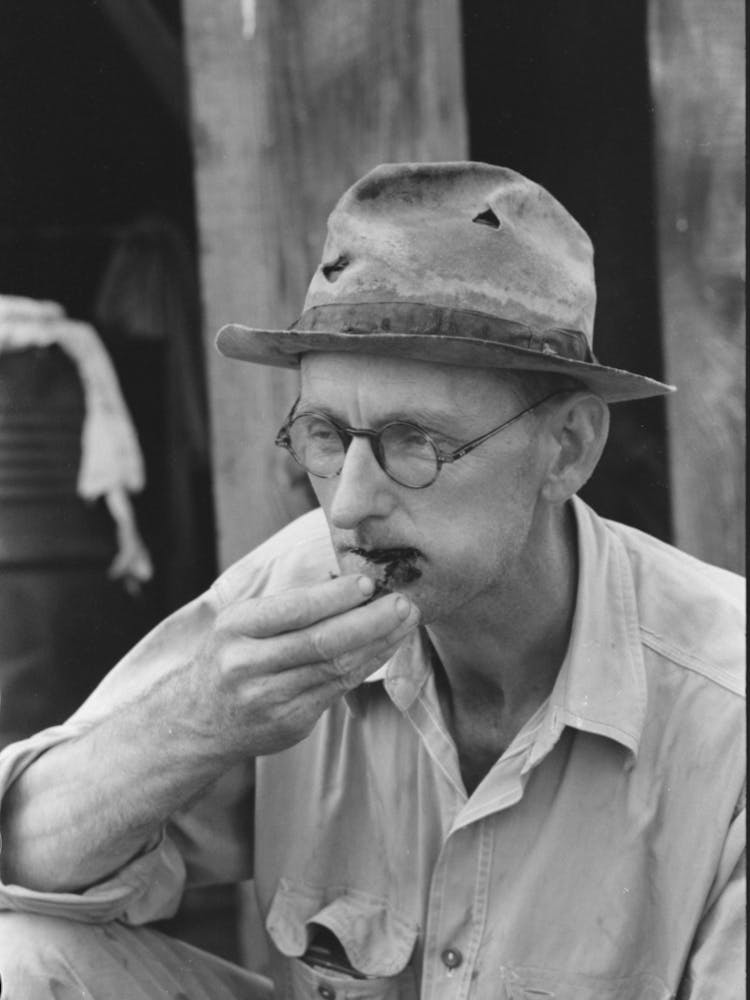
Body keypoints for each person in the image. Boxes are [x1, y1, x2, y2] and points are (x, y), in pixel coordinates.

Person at [0, 162, 744, 999]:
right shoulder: (298, 580)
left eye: (413, 439)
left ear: (567, 448)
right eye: (325, 434)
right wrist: (201, 717)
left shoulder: (728, 707)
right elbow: (29, 860)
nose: (350, 505)